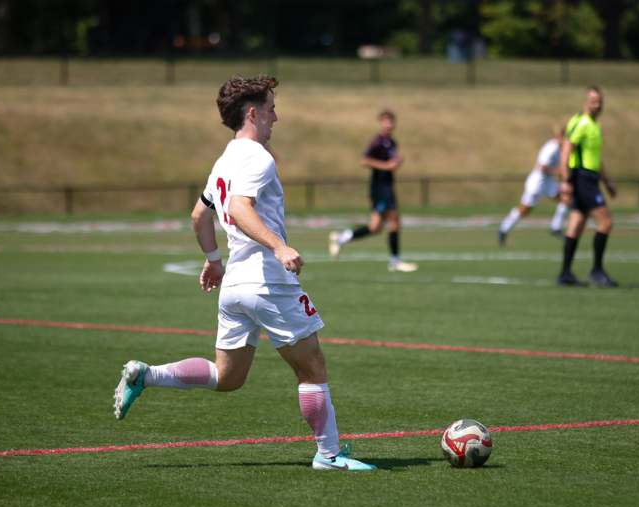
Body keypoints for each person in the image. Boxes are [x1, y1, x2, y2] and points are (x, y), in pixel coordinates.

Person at [113, 75, 376, 472]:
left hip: (235, 284)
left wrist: (214, 259)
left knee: (228, 376)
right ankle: (330, 454)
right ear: (252, 113)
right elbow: (238, 208)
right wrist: (279, 245)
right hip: (266, 280)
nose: (277, 117)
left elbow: (200, 214)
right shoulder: (257, 157)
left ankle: (146, 376)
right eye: (271, 108)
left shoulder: (224, 160)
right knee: (312, 366)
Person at [328, 110, 418, 272]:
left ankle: (341, 238)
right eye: (386, 121)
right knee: (394, 221)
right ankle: (395, 261)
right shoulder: (377, 141)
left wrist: (396, 163)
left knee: (375, 227)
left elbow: (391, 163)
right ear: (380, 123)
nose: (389, 124)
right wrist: (387, 166)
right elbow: (364, 160)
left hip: (387, 186)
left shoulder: (392, 142)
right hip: (380, 188)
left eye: (391, 121)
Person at [557, 86, 618, 287]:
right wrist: (565, 181)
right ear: (585, 101)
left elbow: (596, 159)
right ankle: (597, 271)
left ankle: (565, 273)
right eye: (593, 100)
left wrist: (607, 182)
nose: (597, 104)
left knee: (576, 224)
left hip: (590, 178)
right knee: (605, 222)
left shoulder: (595, 126)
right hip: (582, 178)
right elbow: (566, 150)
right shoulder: (580, 123)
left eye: (600, 101)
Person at [498, 126, 570, 246]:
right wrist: (559, 171)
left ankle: (556, 227)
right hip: (538, 183)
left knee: (566, 198)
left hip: (548, 182)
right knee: (524, 210)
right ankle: (503, 229)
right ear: (558, 137)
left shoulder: (562, 149)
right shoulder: (551, 148)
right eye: (564, 137)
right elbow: (541, 167)